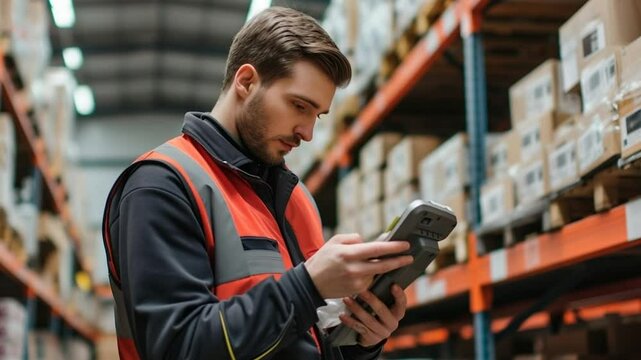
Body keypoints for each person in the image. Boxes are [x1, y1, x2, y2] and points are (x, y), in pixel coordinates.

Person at [102, 6, 413, 360]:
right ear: (246, 82)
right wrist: (307, 286)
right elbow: (179, 347)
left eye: (317, 115)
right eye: (299, 106)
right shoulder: (163, 185)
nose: (308, 133)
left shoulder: (297, 200)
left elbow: (305, 341)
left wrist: (362, 341)